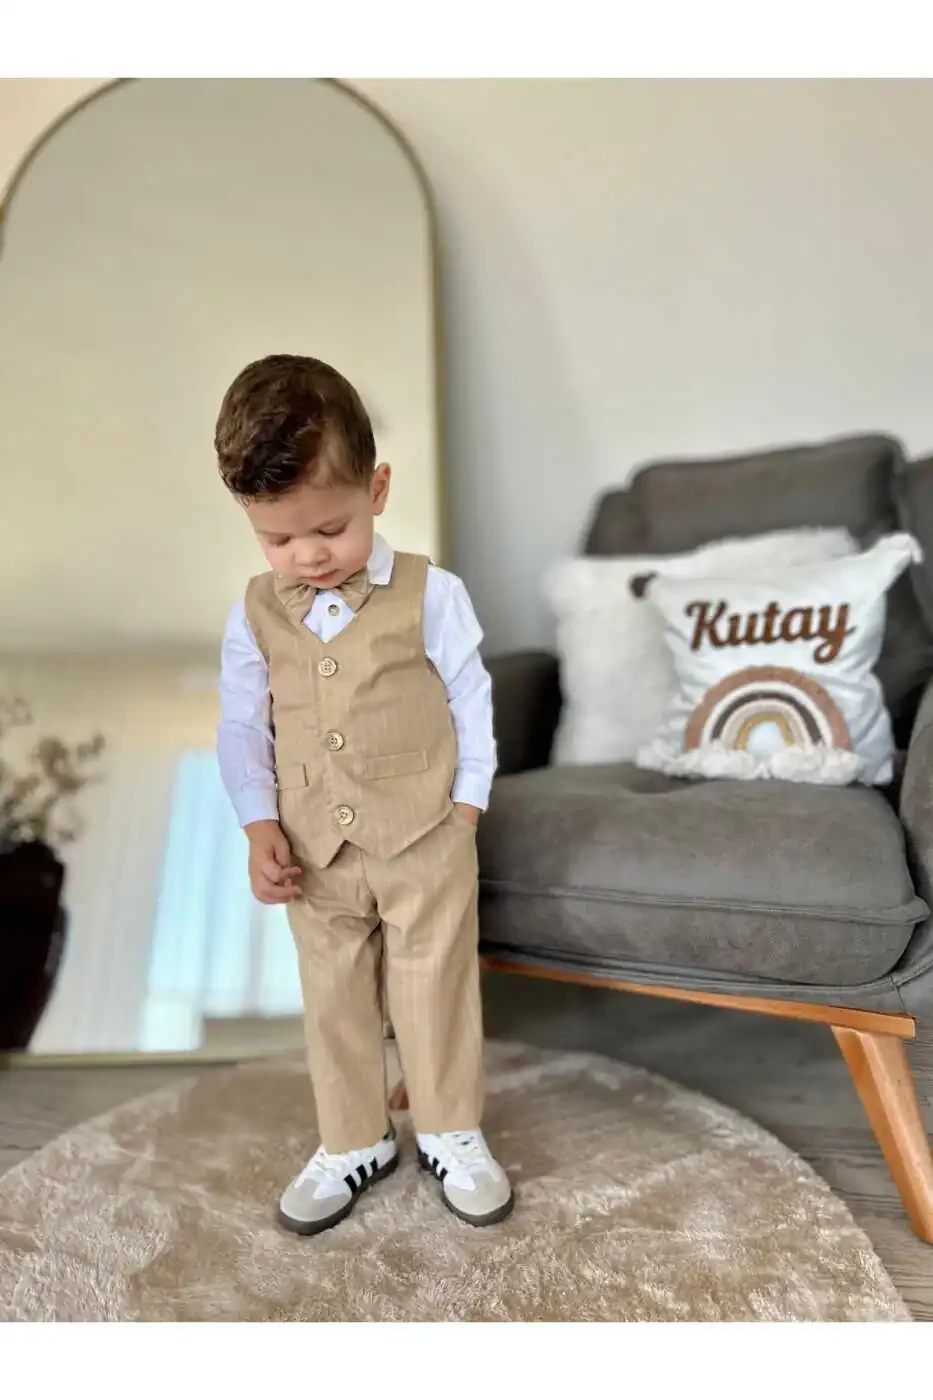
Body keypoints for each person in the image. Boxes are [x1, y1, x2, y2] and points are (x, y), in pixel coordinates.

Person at [215, 354, 513, 1236]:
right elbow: (243, 726)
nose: (307, 556)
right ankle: (353, 1139)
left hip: (424, 829)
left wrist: (467, 805)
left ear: (376, 490)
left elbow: (470, 696)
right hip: (315, 846)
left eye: (329, 529)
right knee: (333, 993)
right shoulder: (253, 614)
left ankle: (451, 1131)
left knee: (434, 981)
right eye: (277, 540)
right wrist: (258, 824)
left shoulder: (432, 592)